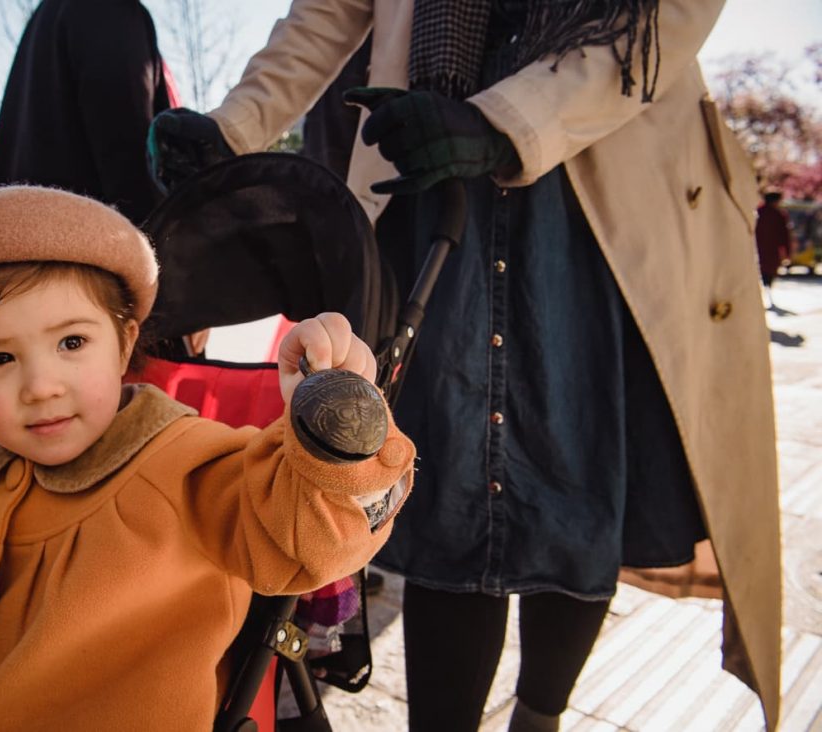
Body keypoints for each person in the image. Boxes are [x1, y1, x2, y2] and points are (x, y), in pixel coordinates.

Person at [147, 2, 781, 730]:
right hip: (431, 171)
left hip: (592, 180)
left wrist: (506, 123)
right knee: (448, 489)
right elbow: (326, 12)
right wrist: (235, 125)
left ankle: (539, 719)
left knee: (580, 478)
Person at [0, 186, 414, 731]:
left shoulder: (183, 464)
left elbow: (306, 539)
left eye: (72, 343)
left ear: (125, 342)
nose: (41, 386)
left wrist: (330, 432)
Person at [0, 0, 177, 227]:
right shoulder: (108, 10)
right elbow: (128, 156)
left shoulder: (47, 16)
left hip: (28, 237)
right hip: (91, 243)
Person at [755, 190, 791, 308]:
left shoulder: (759, 212)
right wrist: (787, 252)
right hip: (769, 251)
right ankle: (767, 294)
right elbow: (784, 235)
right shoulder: (777, 214)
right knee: (768, 273)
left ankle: (766, 294)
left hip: (760, 249)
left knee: (764, 273)